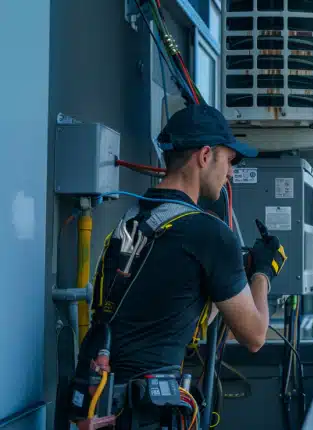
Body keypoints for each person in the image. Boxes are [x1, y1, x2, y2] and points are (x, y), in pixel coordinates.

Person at [68, 104, 283, 426]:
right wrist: (264, 272)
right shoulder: (209, 234)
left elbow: (171, 297)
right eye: (229, 160)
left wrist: (235, 270)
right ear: (205, 156)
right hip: (146, 412)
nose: (231, 173)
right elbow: (254, 337)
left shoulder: (135, 218)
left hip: (100, 402)